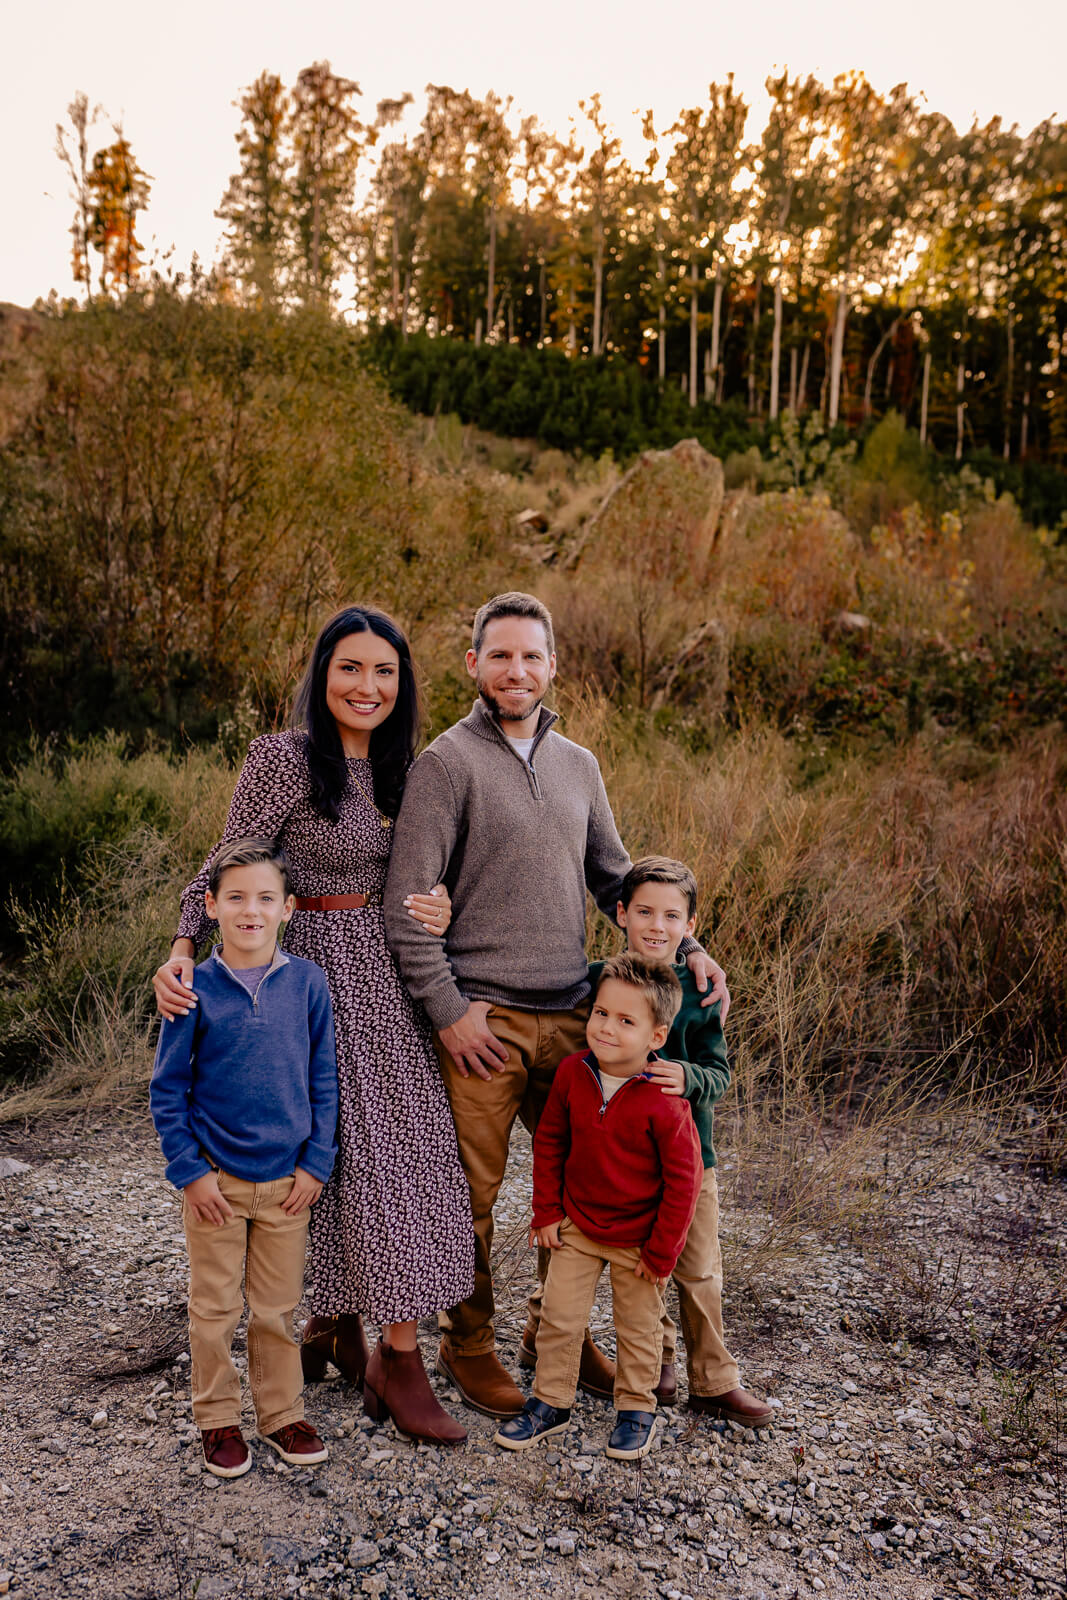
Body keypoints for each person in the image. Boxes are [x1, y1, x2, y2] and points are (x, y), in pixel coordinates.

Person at [383, 590, 728, 1419]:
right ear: (474, 664)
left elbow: (616, 882)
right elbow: (404, 904)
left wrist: (686, 947)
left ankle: (553, 1338)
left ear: (552, 665)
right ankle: (466, 1342)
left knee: (580, 1190)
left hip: (578, 1018)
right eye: (500, 655)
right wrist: (449, 1012)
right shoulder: (444, 765)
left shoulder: (579, 764)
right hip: (485, 1022)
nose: (516, 670)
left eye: (531, 655)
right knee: (468, 1197)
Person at [153, 605, 473, 1446]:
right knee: (317, 1143)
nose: (367, 686)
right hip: (300, 969)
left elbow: (429, 874)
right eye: (349, 668)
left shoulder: (413, 770)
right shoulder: (283, 758)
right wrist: (183, 947)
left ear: (402, 684)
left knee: (398, 1154)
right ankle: (361, 1337)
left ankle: (372, 1339)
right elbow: (225, 864)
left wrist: (439, 903)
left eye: (384, 672)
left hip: (388, 972)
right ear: (322, 674)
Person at [150, 837, 338, 1477]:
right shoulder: (194, 988)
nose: (250, 910)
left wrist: (316, 1163)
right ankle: (218, 1420)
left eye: (264, 898)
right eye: (235, 898)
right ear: (211, 906)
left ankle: (282, 1414)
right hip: (216, 1183)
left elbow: (323, 1080)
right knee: (214, 1309)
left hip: (289, 1183)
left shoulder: (307, 984)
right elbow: (168, 1088)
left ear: (288, 908)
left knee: (277, 1309)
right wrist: (191, 1174)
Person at [495, 955, 702, 1460]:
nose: (607, 1028)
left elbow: (684, 1182)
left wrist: (662, 1251)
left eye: (626, 1021)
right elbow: (550, 1141)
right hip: (577, 1227)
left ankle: (636, 1407)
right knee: (560, 1318)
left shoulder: (664, 1100)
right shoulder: (573, 1073)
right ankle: (550, 1402)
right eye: (601, 1013)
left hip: (639, 1239)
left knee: (638, 1328)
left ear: (656, 1036)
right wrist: (546, 1212)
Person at [592, 856, 773, 1427]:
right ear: (621, 913)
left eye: (672, 916)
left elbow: (719, 1073)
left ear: (690, 925)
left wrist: (688, 1076)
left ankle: (715, 1380)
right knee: (645, 1266)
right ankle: (658, 1363)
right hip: (625, 1165)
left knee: (699, 1269)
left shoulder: (699, 994)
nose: (657, 926)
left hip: (692, 1160)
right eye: (644, 912)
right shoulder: (600, 982)